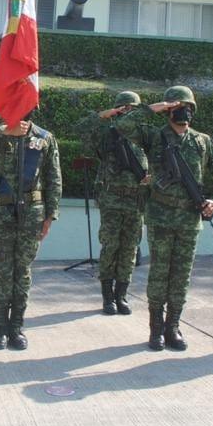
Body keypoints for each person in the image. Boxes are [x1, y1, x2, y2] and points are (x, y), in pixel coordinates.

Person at [114, 86, 213, 352]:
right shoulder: (154, 137)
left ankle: (173, 327)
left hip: (189, 218)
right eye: (178, 107)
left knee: (181, 276)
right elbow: (122, 126)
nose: (184, 111)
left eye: (188, 107)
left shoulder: (202, 141)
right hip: (160, 217)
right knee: (158, 274)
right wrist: (154, 107)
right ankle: (155, 330)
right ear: (169, 110)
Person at [0, 109, 61, 350]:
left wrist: (50, 216)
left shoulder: (45, 138)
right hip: (2, 212)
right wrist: (4, 129)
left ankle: (16, 328)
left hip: (32, 213)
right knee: (3, 270)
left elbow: (54, 178)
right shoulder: (0, 134)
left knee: (23, 271)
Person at [73, 91, 149, 316]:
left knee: (129, 249)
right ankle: (108, 297)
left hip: (136, 200)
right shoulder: (107, 134)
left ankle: (121, 295)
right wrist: (104, 116)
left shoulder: (145, 135)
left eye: (132, 109)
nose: (128, 112)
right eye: (123, 108)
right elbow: (81, 129)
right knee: (110, 247)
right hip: (112, 199)